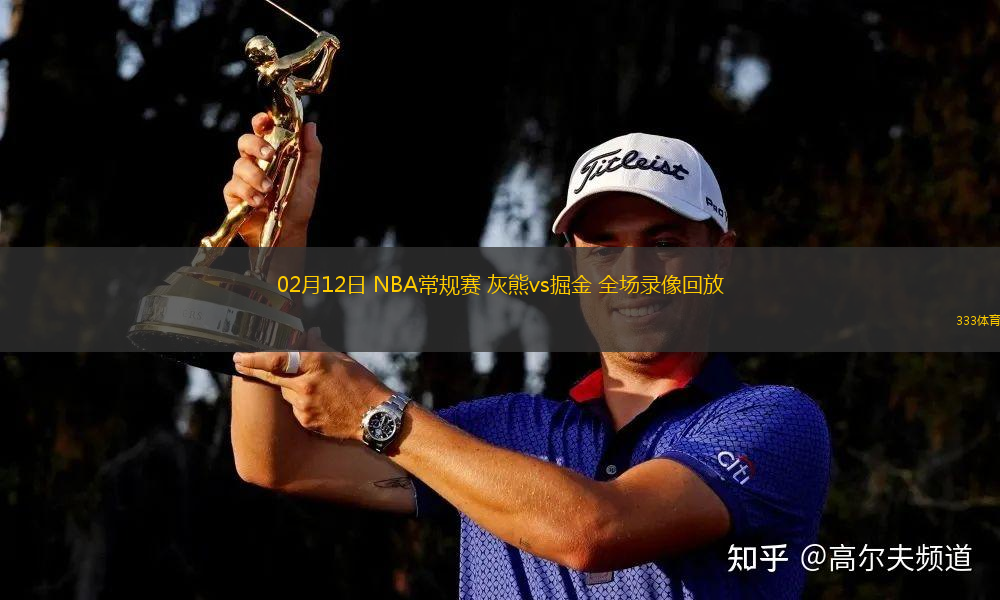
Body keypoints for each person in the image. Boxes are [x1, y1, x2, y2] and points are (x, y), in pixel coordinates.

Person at [224, 121, 832, 599]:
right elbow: (278, 462)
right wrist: (273, 248)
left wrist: (377, 412)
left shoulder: (774, 421)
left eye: (665, 243)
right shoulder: (503, 428)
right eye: (602, 247)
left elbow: (594, 531)